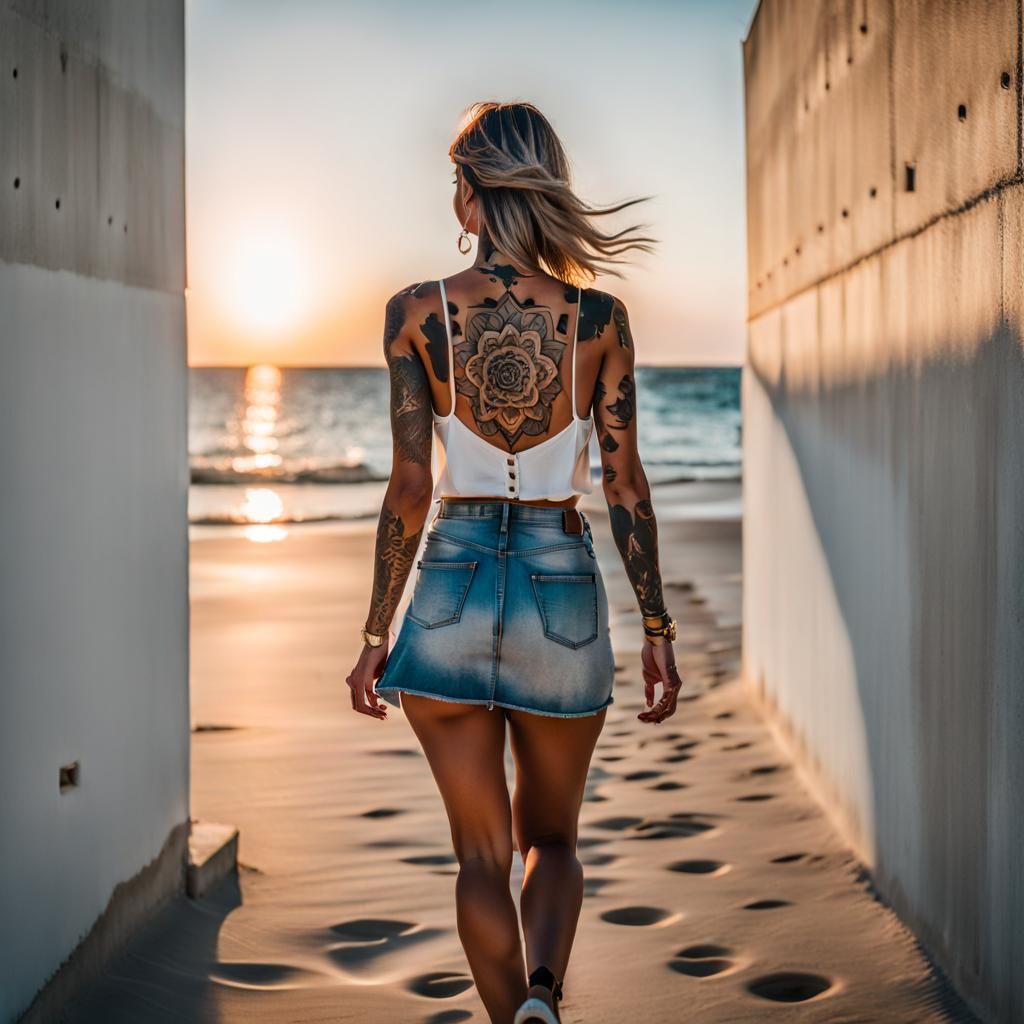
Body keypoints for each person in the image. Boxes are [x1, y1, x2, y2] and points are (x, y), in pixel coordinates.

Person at [345, 101, 683, 1024]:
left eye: (456, 180)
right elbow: (624, 488)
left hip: (449, 582)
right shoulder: (601, 318)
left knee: (480, 857)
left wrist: (378, 631)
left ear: (471, 196)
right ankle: (543, 993)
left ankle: (516, 1022)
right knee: (555, 842)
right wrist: (657, 628)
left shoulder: (415, 314)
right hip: (559, 585)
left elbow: (411, 485)